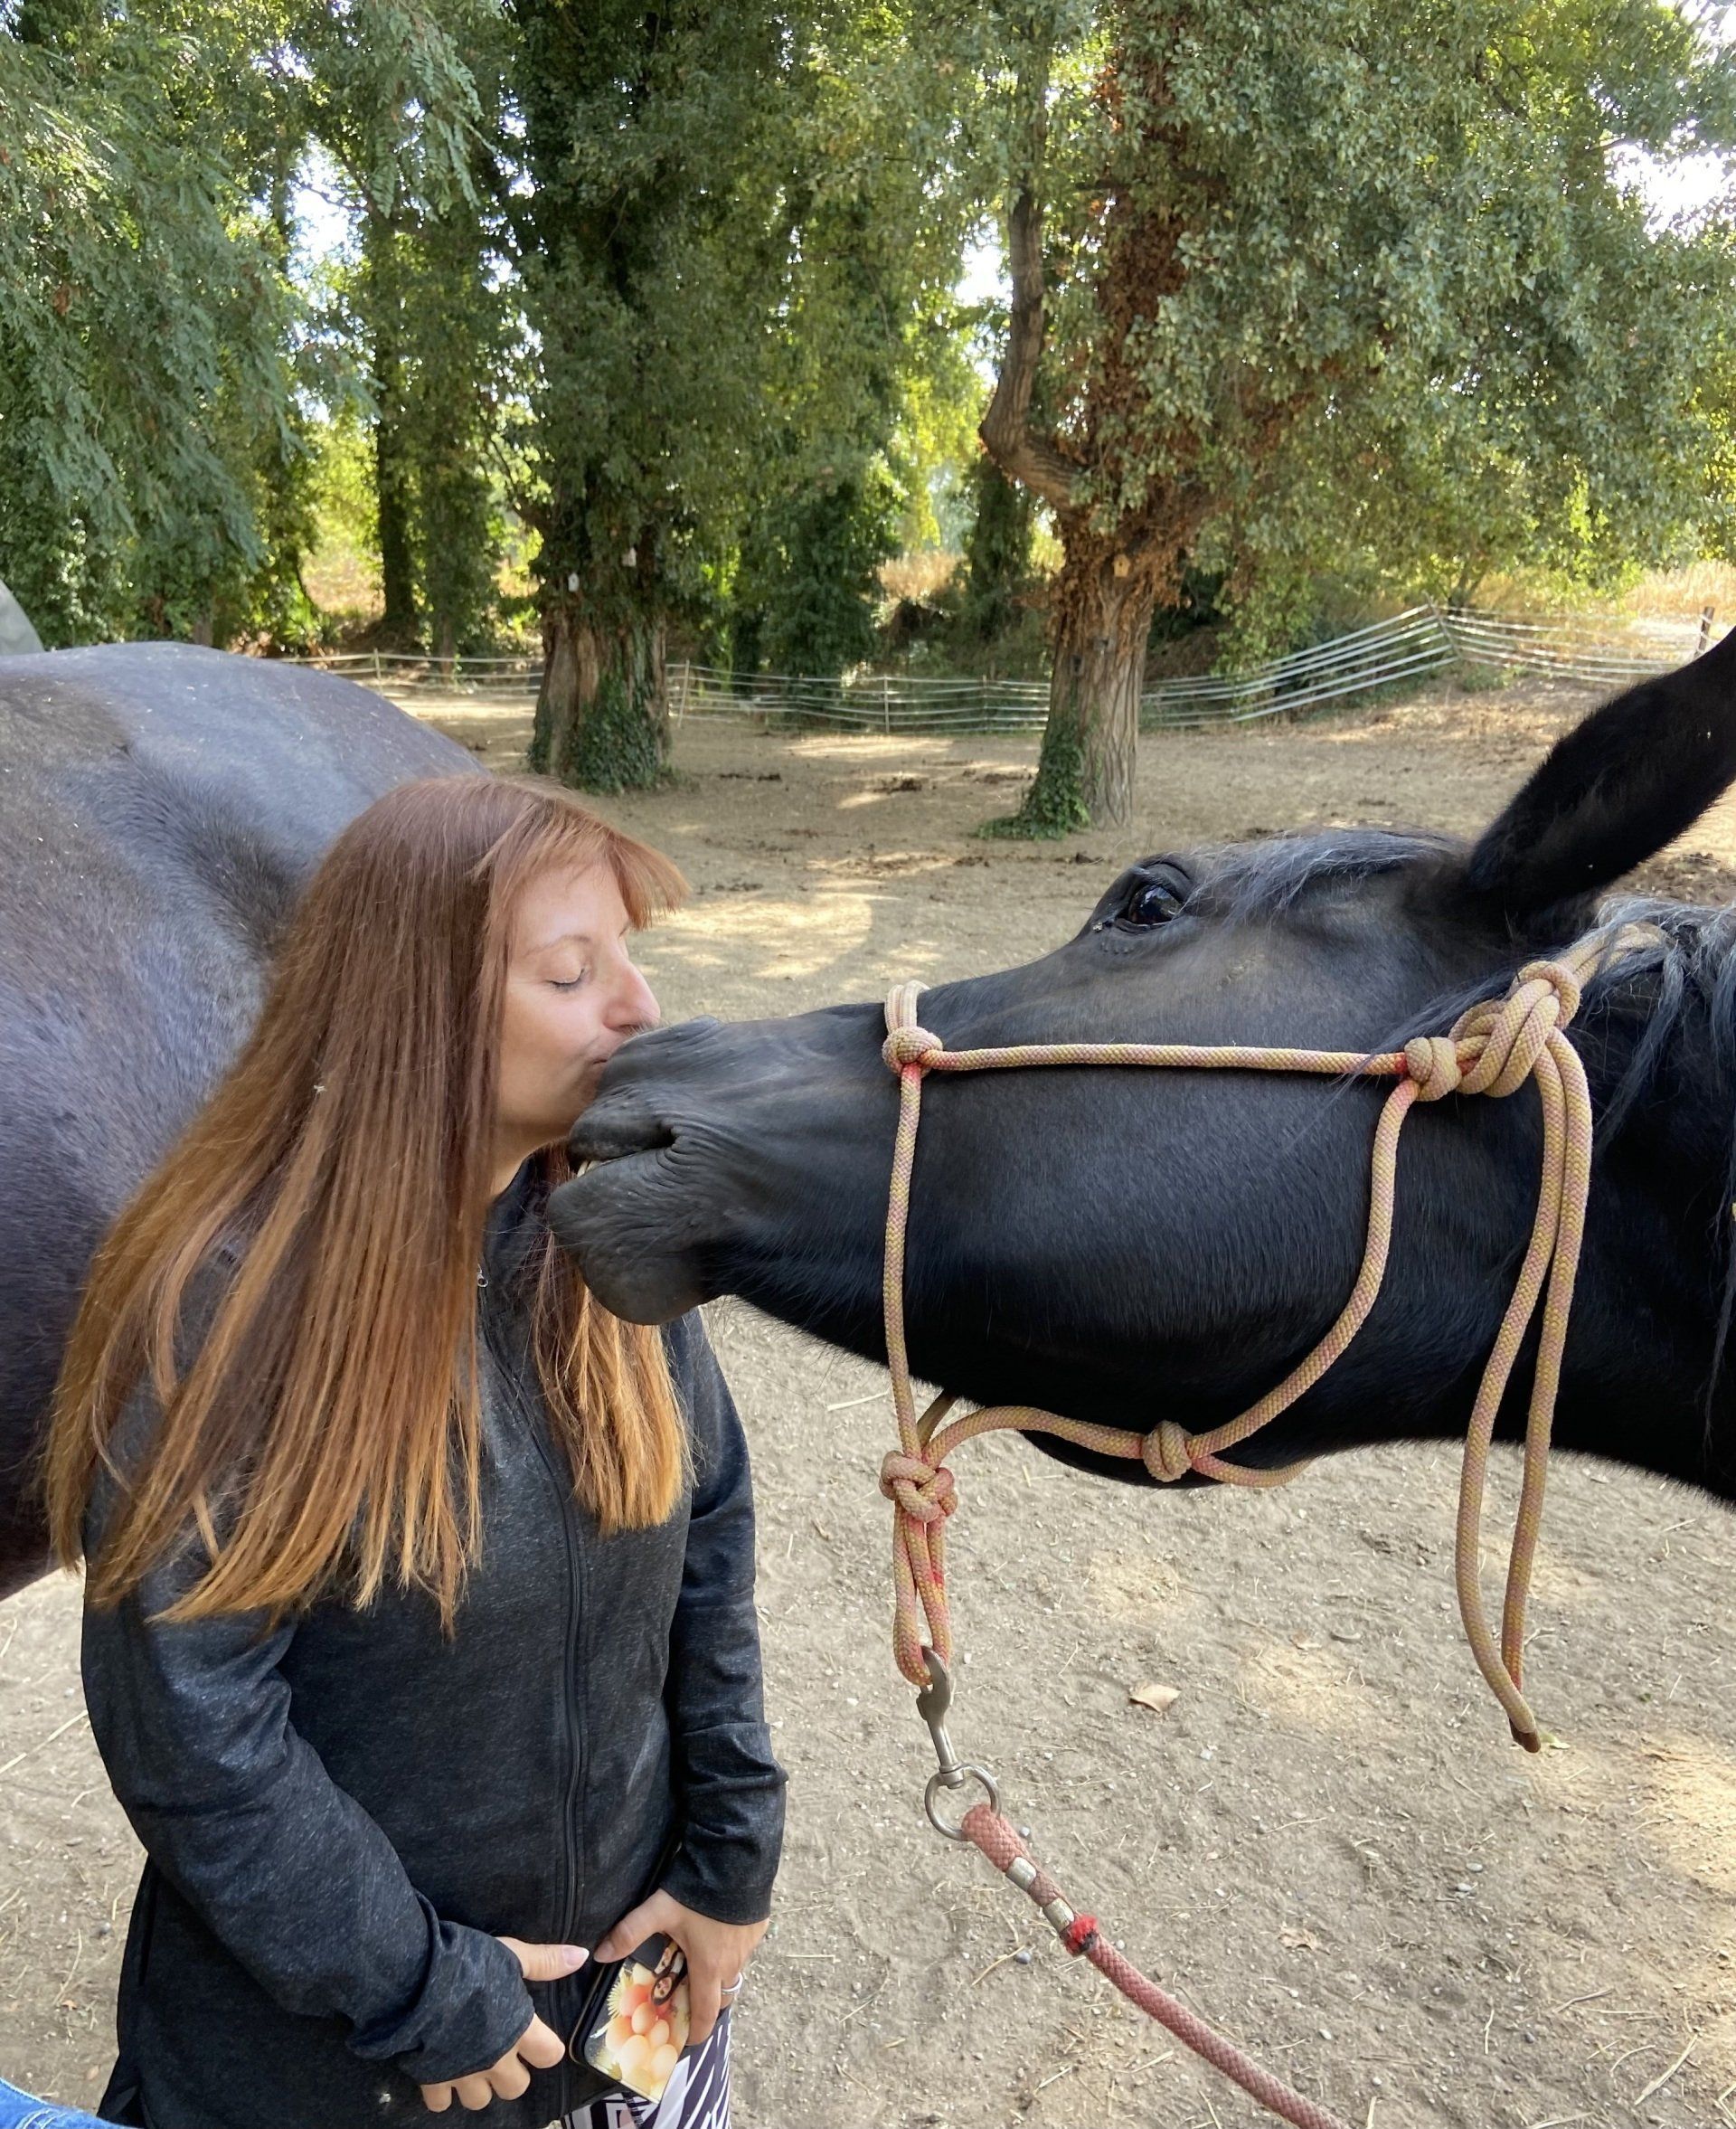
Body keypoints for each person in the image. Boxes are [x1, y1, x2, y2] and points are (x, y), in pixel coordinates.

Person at [42, 776, 785, 2129]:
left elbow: (709, 1532)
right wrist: (417, 1986)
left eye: (630, 956)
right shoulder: (227, 1307)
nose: (639, 1008)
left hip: (631, 2021)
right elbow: (194, 1730)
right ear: (421, 1009)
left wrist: (731, 1858)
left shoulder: (600, 1240)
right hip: (358, 2067)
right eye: (574, 972)